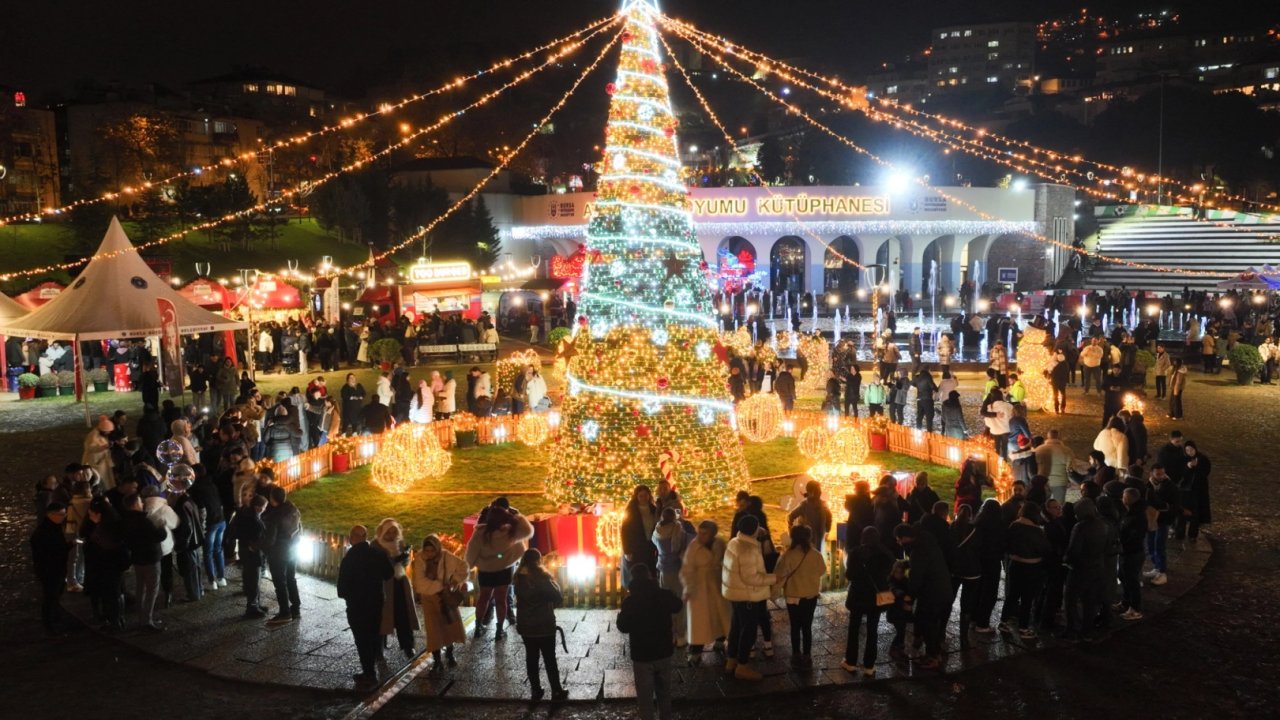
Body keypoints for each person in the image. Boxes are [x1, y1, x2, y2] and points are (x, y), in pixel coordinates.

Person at [617, 563, 682, 719]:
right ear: (650, 576)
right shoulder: (664, 595)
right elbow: (678, 605)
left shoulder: (630, 602)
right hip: (663, 653)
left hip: (642, 656)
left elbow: (623, 627)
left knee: (645, 698)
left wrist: (620, 616)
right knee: (664, 693)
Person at [721, 515, 777, 681]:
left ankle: (731, 661)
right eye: (757, 527)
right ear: (753, 530)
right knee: (748, 631)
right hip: (747, 596)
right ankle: (742, 666)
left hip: (735, 593)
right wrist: (773, 578)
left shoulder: (734, 542)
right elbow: (751, 578)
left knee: (736, 628)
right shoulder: (748, 550)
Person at [465, 504, 532, 641]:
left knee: (483, 598)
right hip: (504, 569)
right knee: (501, 600)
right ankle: (499, 630)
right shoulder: (509, 532)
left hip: (486, 570)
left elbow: (471, 553)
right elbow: (527, 531)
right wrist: (517, 515)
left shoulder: (480, 533)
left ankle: (478, 627)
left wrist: (466, 570)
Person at [337, 525, 393, 687]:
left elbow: (341, 589)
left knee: (362, 639)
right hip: (376, 602)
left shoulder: (349, 558)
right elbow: (389, 573)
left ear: (353, 537)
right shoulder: (378, 554)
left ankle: (369, 673)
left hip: (357, 605)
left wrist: (349, 595)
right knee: (373, 633)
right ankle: (375, 661)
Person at [513, 548, 569, 702]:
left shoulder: (518, 578)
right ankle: (556, 690)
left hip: (526, 625)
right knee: (549, 658)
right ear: (539, 561)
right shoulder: (543, 578)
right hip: (544, 624)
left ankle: (535, 690)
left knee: (531, 658)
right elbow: (557, 597)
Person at [894, 523, 950, 668]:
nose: (898, 543)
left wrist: (909, 599)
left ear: (904, 538)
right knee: (929, 622)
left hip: (933, 592)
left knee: (928, 623)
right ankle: (934, 653)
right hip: (942, 588)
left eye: (898, 540)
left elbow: (916, 578)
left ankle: (933, 657)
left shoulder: (918, 551)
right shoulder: (925, 541)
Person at [842, 526, 893, 675]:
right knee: (872, 630)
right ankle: (869, 666)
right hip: (875, 598)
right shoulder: (885, 554)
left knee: (854, 629)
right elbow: (889, 571)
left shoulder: (855, 553)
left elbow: (850, 575)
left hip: (858, 596)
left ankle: (851, 662)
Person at [411, 535, 467, 668]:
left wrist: (454, 580)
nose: (429, 554)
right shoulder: (420, 559)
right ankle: (437, 661)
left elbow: (463, 567)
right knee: (433, 630)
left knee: (448, 626)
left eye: (432, 550)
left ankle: (450, 653)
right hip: (429, 599)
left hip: (445, 597)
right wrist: (441, 585)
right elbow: (420, 582)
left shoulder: (446, 556)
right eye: (427, 550)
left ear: (437, 549)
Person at [679, 520, 731, 663]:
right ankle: (695, 652)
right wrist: (688, 588)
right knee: (699, 622)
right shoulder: (694, 547)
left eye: (705, 533)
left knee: (719, 616)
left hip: (716, 584)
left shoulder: (719, 544)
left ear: (712, 534)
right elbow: (687, 569)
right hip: (699, 588)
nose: (701, 536)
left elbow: (726, 560)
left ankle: (720, 640)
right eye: (700, 533)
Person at [773, 525, 827, 662]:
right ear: (809, 537)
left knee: (795, 626)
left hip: (793, 596)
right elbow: (822, 570)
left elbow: (779, 575)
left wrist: (773, 592)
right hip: (810, 596)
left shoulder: (788, 555)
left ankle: (796, 652)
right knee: (807, 626)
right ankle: (807, 654)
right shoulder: (816, 554)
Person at [1063, 498, 1108, 641]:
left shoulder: (1080, 527)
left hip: (1080, 569)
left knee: (1071, 599)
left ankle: (1072, 629)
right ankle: (1087, 630)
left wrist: (1066, 560)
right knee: (1090, 601)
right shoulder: (1101, 524)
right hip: (1097, 567)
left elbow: (1074, 550)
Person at [1003, 502, 1049, 639]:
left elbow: (1007, 543)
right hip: (1031, 566)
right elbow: (1044, 549)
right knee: (1027, 598)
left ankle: (1003, 622)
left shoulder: (1014, 525)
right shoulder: (1037, 531)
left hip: (1015, 564)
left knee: (1012, 595)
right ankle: (1023, 628)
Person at [374, 518, 419, 658]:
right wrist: (395, 560)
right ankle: (378, 648)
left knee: (403, 613)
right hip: (383, 584)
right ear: (382, 532)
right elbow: (378, 566)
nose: (392, 535)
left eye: (394, 532)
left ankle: (408, 645)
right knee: (382, 616)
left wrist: (405, 558)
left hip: (400, 581)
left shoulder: (399, 543)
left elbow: (404, 563)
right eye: (389, 532)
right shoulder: (376, 545)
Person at [651, 508, 691, 648]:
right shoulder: (677, 529)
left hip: (663, 569)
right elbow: (683, 545)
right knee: (679, 602)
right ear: (674, 517)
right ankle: (680, 634)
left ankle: (670, 632)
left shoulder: (657, 530)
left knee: (666, 601)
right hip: (676, 569)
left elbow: (654, 543)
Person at [262, 485, 302, 623]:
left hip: (279, 553)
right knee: (291, 579)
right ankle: (295, 608)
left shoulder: (275, 516)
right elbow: (299, 529)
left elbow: (270, 540)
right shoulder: (293, 509)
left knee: (280, 583)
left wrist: (260, 548)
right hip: (293, 550)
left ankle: (285, 613)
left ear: (272, 499)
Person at [31, 501, 70, 633]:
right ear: (51, 514)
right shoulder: (44, 532)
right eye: (61, 514)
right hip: (50, 570)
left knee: (55, 594)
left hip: (56, 568)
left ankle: (55, 617)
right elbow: (50, 551)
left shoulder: (53, 527)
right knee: (50, 596)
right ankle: (49, 623)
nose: (64, 517)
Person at [169, 472, 205, 603]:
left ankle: (193, 594)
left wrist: (182, 544)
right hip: (194, 540)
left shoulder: (181, 503)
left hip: (188, 542)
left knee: (189, 569)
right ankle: (199, 590)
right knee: (195, 567)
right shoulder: (188, 499)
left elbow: (186, 526)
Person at [232, 494, 269, 618]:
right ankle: (252, 607)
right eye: (264, 507)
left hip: (245, 550)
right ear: (257, 507)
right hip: (252, 553)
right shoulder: (254, 520)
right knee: (254, 579)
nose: (265, 509)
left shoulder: (245, 514)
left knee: (251, 578)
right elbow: (259, 537)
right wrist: (253, 545)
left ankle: (256, 603)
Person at [972, 498, 1005, 634]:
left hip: (978, 561)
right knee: (989, 592)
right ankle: (982, 623)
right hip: (992, 561)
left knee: (978, 590)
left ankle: (973, 617)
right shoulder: (1000, 525)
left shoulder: (978, 523)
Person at [1118, 487, 1148, 621]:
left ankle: (1135, 609)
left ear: (1130, 498)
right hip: (1126, 551)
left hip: (1133, 552)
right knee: (1123, 576)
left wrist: (1122, 543)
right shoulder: (1130, 512)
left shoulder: (1138, 516)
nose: (1122, 498)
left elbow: (1135, 536)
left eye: (1124, 496)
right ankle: (1125, 602)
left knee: (1132, 580)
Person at [621, 485, 659, 586]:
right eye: (641, 496)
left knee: (651, 572)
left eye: (645, 495)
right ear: (636, 497)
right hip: (636, 548)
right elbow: (625, 531)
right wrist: (627, 550)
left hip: (650, 546)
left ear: (649, 496)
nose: (643, 498)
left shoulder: (654, 510)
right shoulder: (631, 511)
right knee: (638, 573)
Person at [1177, 441, 1212, 542]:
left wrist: (1197, 466)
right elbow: (1181, 474)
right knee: (1182, 513)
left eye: (1191, 449)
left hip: (1198, 490)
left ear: (1195, 449)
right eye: (1187, 450)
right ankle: (1179, 533)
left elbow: (1205, 473)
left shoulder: (1203, 459)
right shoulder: (1183, 459)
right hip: (1185, 490)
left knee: (1196, 514)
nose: (1190, 452)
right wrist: (1188, 467)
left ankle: (1192, 535)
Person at [787, 479, 833, 552]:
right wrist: (792, 533)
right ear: (810, 492)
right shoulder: (805, 505)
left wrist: (828, 527)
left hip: (819, 541)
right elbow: (790, 516)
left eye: (819, 490)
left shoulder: (823, 505)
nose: (819, 492)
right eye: (817, 490)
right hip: (806, 543)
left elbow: (829, 517)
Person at [981, 389, 1014, 458]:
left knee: (996, 448)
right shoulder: (1008, 406)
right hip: (1006, 430)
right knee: (1005, 448)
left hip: (995, 431)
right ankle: (1005, 461)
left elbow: (987, 421)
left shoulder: (989, 407)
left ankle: (997, 461)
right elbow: (1012, 417)